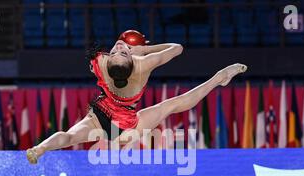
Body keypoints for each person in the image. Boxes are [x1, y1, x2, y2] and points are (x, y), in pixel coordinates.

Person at [26, 40, 247, 164]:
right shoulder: (143, 64)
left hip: (99, 117)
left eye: (117, 51)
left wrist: (124, 53)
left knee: (71, 136)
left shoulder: (100, 63)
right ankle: (219, 78)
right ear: (131, 61)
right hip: (126, 128)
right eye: (121, 51)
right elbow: (178, 48)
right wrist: (144, 49)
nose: (120, 47)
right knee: (171, 105)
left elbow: (102, 60)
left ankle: (40, 148)